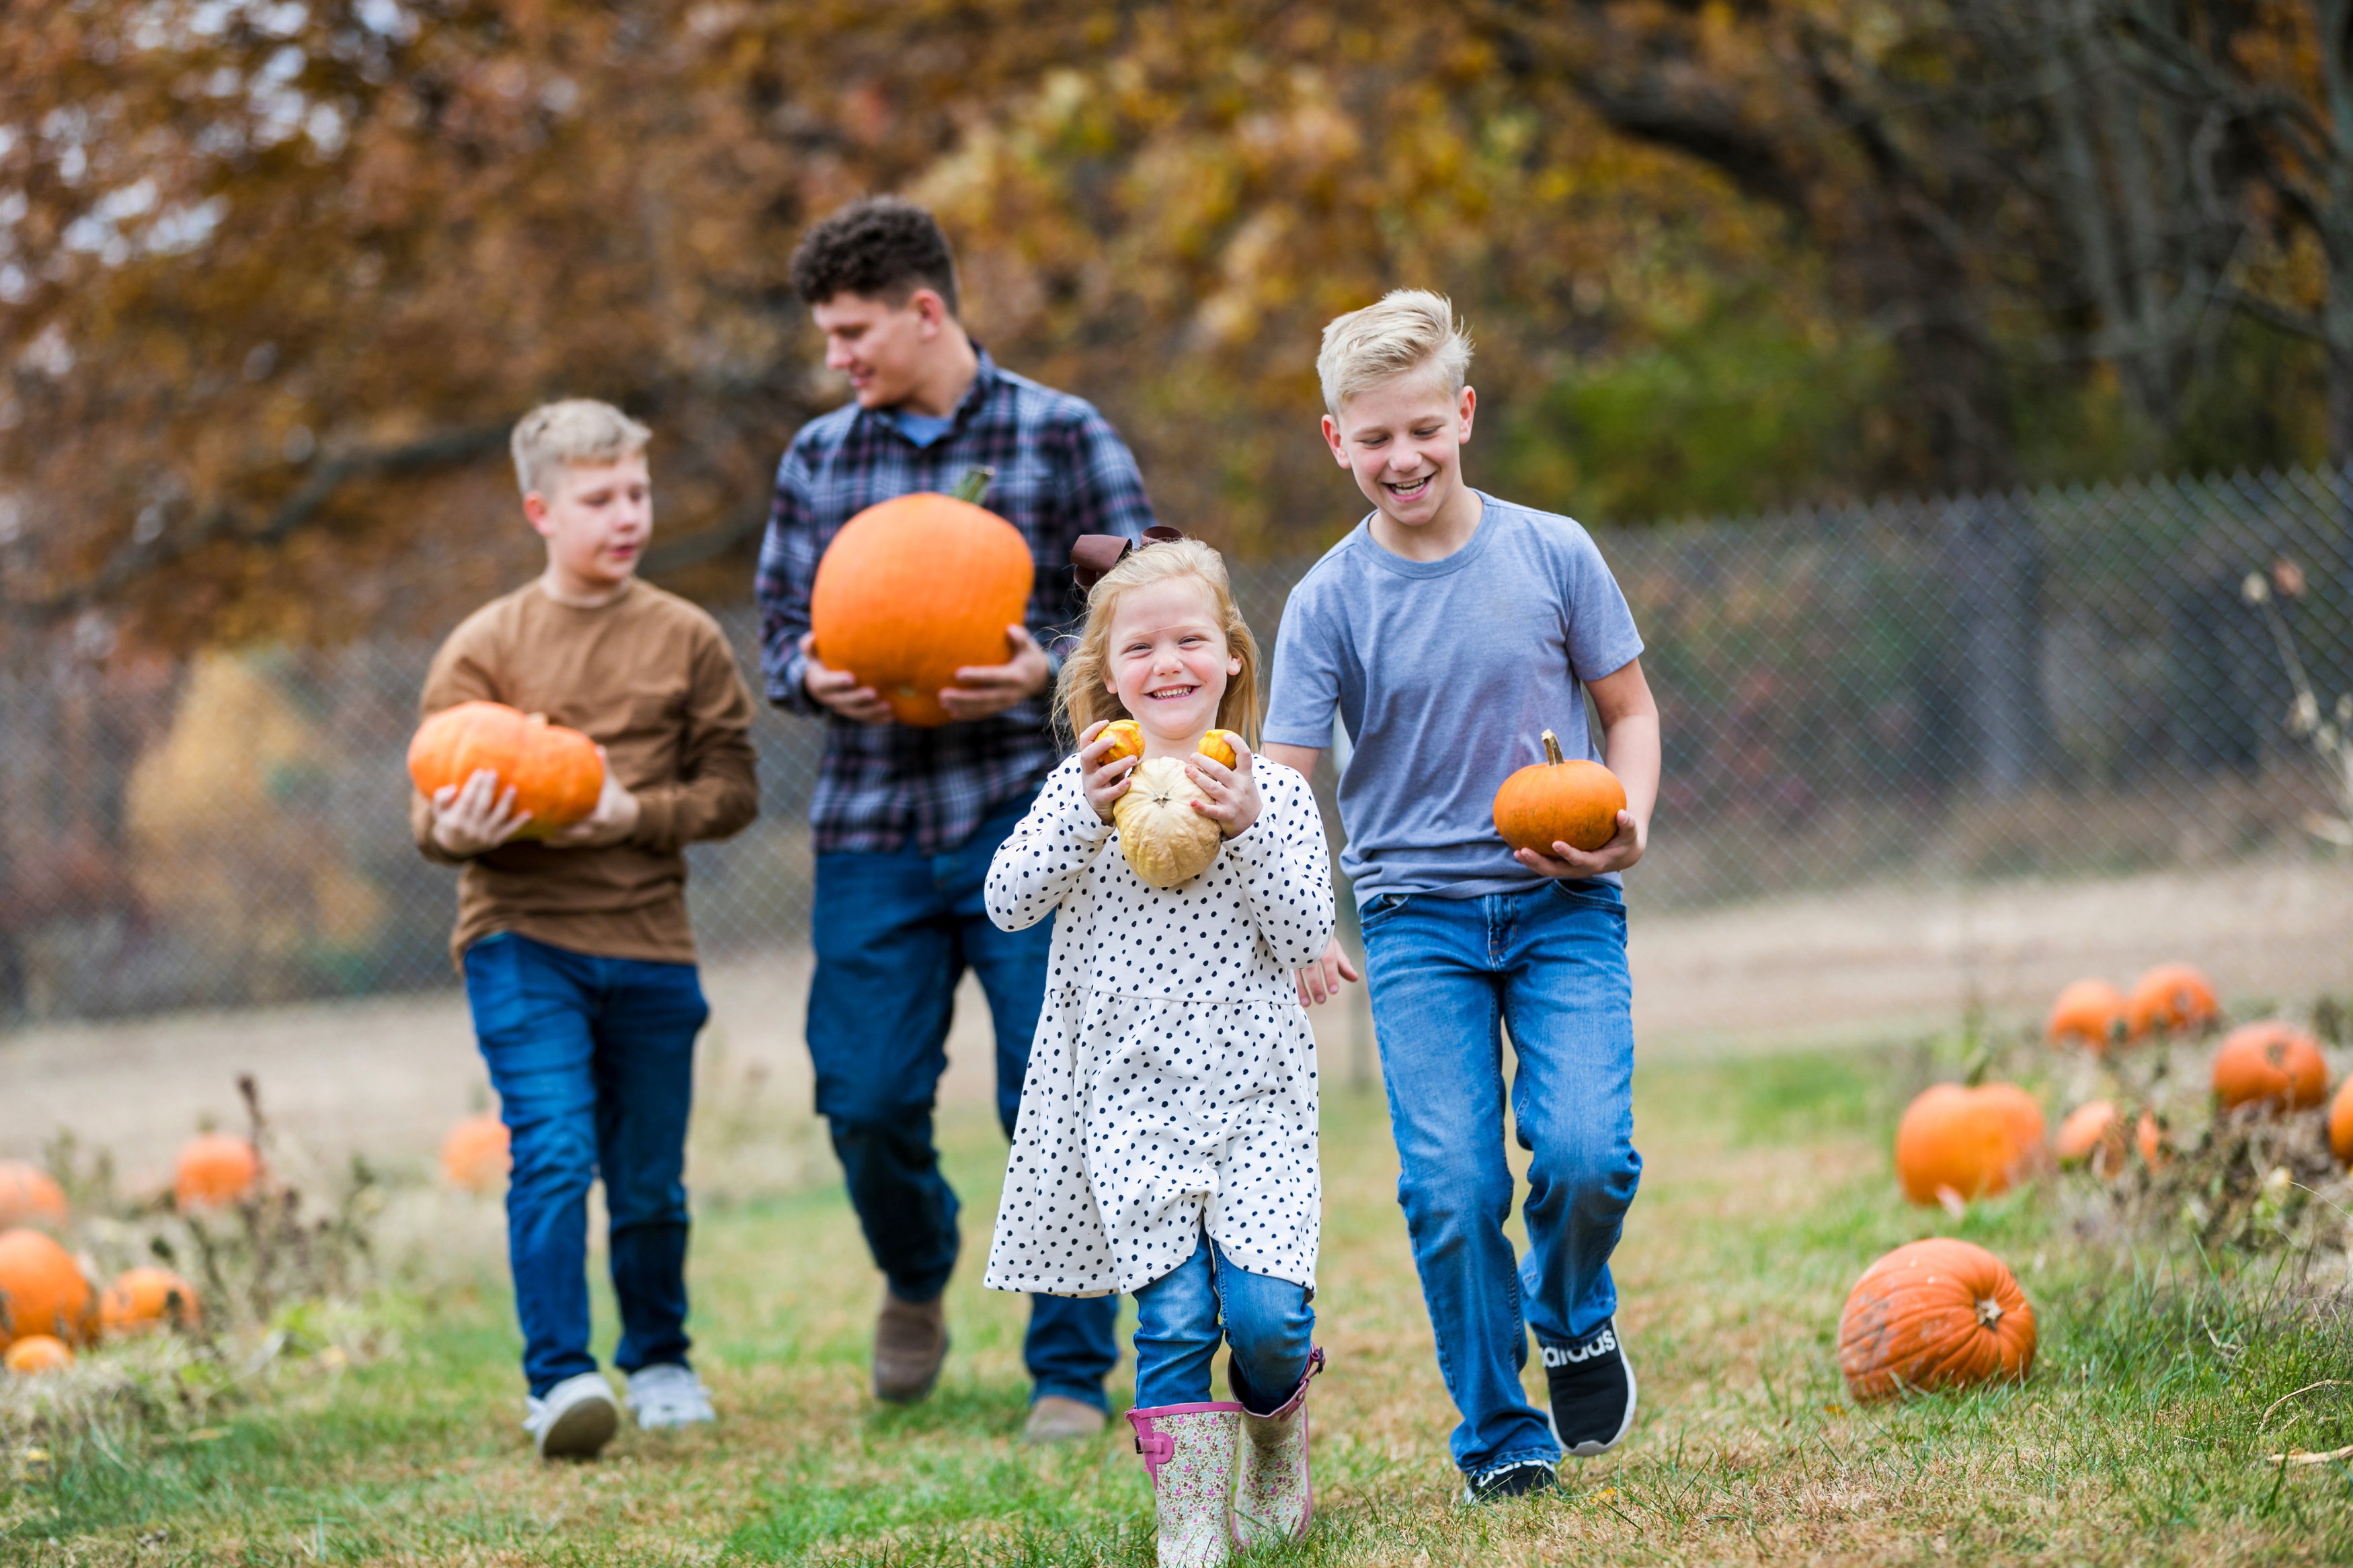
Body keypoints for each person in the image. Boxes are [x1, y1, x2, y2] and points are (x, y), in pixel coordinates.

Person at [754, 196, 1154, 1442]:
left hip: (1030, 818)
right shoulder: (822, 459)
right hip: (872, 827)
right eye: (829, 335)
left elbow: (1152, 611)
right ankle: (916, 1266)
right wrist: (810, 674)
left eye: (855, 330)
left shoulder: (1061, 437)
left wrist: (1049, 668)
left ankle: (1070, 1371)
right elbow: (777, 635)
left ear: (927, 311)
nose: (838, 358)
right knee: (864, 1098)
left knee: (1054, 1090)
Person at [1262, 291, 1661, 1502]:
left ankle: (1573, 1307)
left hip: (1562, 901)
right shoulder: (1327, 601)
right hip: (1415, 922)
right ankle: (1499, 1432)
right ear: (1337, 441)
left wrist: (1627, 828)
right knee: (1451, 1188)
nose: (1403, 458)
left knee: (1590, 1153)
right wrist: (1298, 915)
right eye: (1374, 437)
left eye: (1423, 429)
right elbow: (1286, 781)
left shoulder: (1553, 551)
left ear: (1465, 416)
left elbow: (1630, 711)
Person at [411, 399, 760, 1460]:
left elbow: (733, 790)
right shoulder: (486, 647)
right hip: (524, 936)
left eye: (638, 493)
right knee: (555, 1148)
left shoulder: (686, 637)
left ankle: (659, 1356)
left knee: (648, 1173)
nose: (627, 515)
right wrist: (451, 828)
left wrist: (635, 815)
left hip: (652, 942)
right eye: (600, 498)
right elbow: (429, 811)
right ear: (541, 510)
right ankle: (559, 1377)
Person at [984, 534, 1334, 1565]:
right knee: (1175, 1318)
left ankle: (1274, 1433)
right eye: (1139, 648)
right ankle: (1187, 1518)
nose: (1167, 662)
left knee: (1267, 1321)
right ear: (1105, 675)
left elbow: (1309, 929)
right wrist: (1082, 818)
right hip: (1134, 1108)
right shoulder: (1084, 789)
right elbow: (1006, 902)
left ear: (1231, 657)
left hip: (1259, 1101)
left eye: (1191, 639)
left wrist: (1250, 827)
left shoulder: (1273, 792)